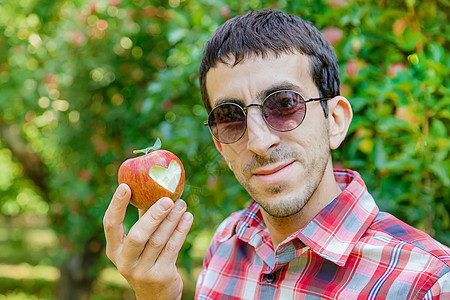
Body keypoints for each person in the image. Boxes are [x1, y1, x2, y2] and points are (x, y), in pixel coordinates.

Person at [103, 9, 450, 299]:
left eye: (284, 104)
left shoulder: (428, 283)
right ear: (220, 145)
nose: (258, 141)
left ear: (336, 122)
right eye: (230, 117)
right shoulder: (226, 243)